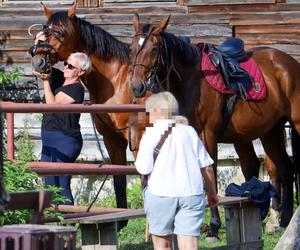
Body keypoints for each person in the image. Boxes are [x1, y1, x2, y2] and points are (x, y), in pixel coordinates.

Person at [135, 91, 218, 250]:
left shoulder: (150, 133)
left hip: (161, 193)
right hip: (191, 193)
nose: (148, 115)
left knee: (163, 245)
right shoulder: (190, 131)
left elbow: (143, 168)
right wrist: (212, 193)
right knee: (189, 245)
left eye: (149, 111)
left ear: (158, 111)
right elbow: (206, 166)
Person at [33, 52, 92, 205]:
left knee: (61, 184)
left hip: (65, 140)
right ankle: (56, 223)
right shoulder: (60, 78)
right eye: (66, 63)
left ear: (81, 72)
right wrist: (39, 45)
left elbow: (52, 105)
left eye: (71, 66)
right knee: (49, 183)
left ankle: (69, 223)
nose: (66, 67)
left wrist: (46, 82)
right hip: (49, 139)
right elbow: (40, 65)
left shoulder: (76, 89)